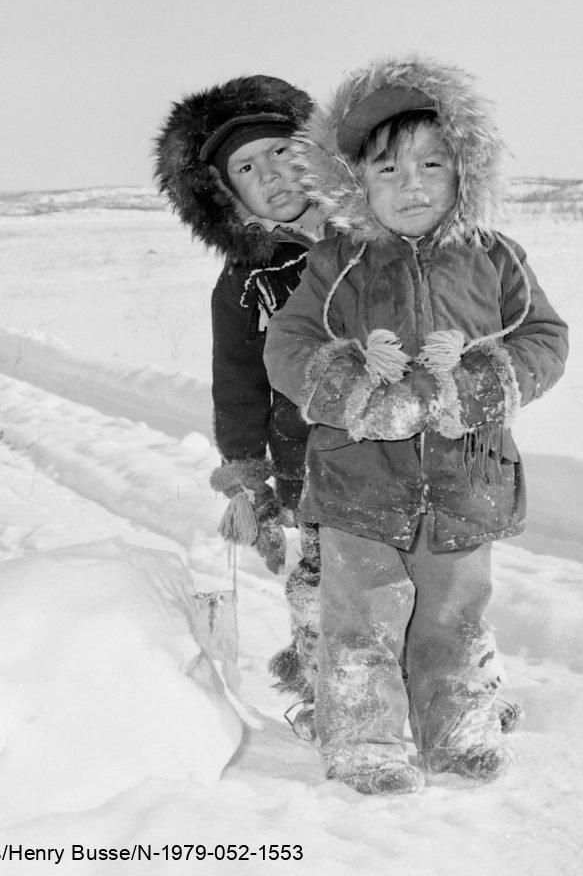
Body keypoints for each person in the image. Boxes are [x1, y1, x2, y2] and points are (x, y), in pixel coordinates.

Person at [264, 55, 569, 795]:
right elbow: (288, 346)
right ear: (354, 182)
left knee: (455, 613)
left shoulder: (495, 259)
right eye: (390, 170)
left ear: (465, 172)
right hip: (359, 480)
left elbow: (545, 341)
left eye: (434, 164)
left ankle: (457, 728)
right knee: (361, 616)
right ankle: (365, 739)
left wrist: (472, 381)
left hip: (467, 479)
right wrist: (354, 383)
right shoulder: (338, 261)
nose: (415, 185)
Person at [154, 75, 323, 736]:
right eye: (249, 169)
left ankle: (447, 689)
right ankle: (328, 690)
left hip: (404, 454)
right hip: (313, 462)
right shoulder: (244, 284)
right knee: (324, 582)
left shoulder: (378, 239)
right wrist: (248, 474)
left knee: (428, 577)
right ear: (225, 195)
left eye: (283, 152)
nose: (274, 175)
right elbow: (237, 382)